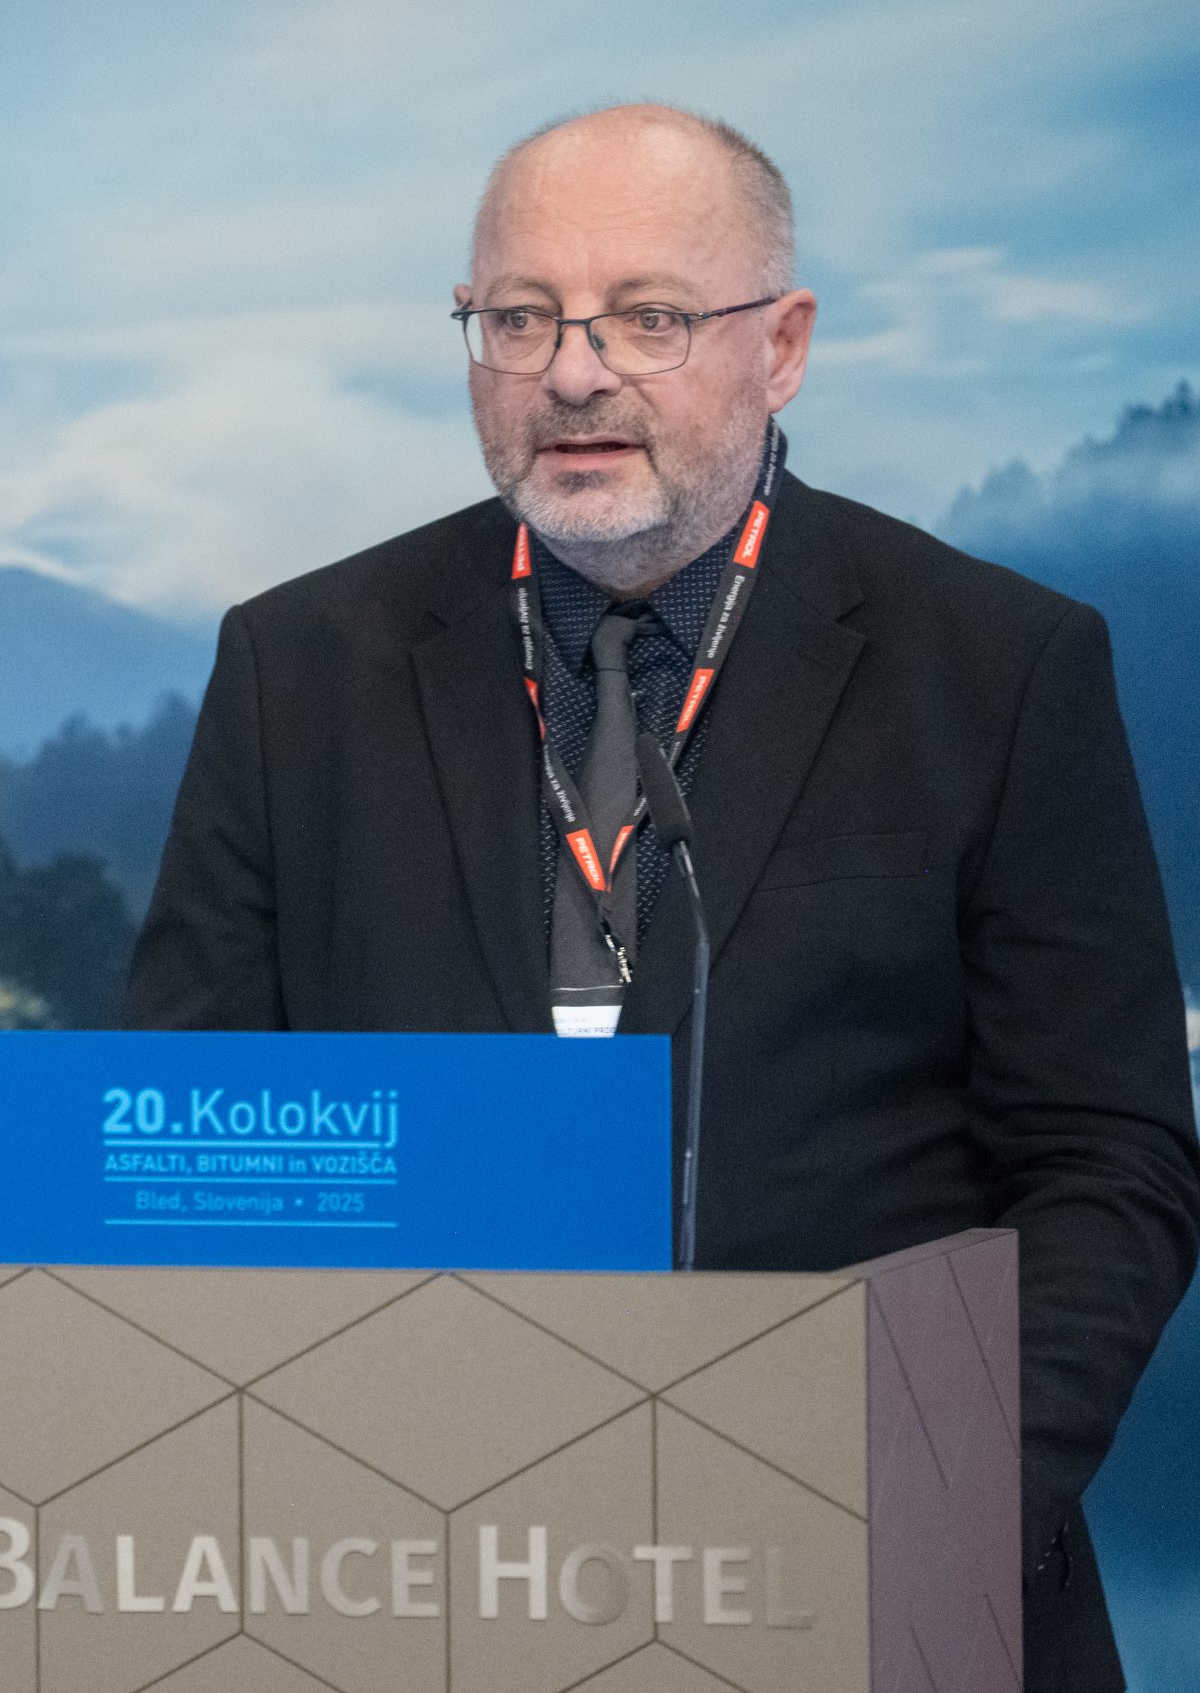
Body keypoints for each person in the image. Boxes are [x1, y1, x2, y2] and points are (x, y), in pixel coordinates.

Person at [126, 103, 1198, 1691]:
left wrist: (929, 1502)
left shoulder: (998, 666)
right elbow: (183, 1133)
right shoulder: (300, 668)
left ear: (784, 346)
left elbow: (1110, 1169)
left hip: (880, 1597)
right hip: (402, 1591)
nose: (573, 373)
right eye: (520, 318)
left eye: (648, 318)